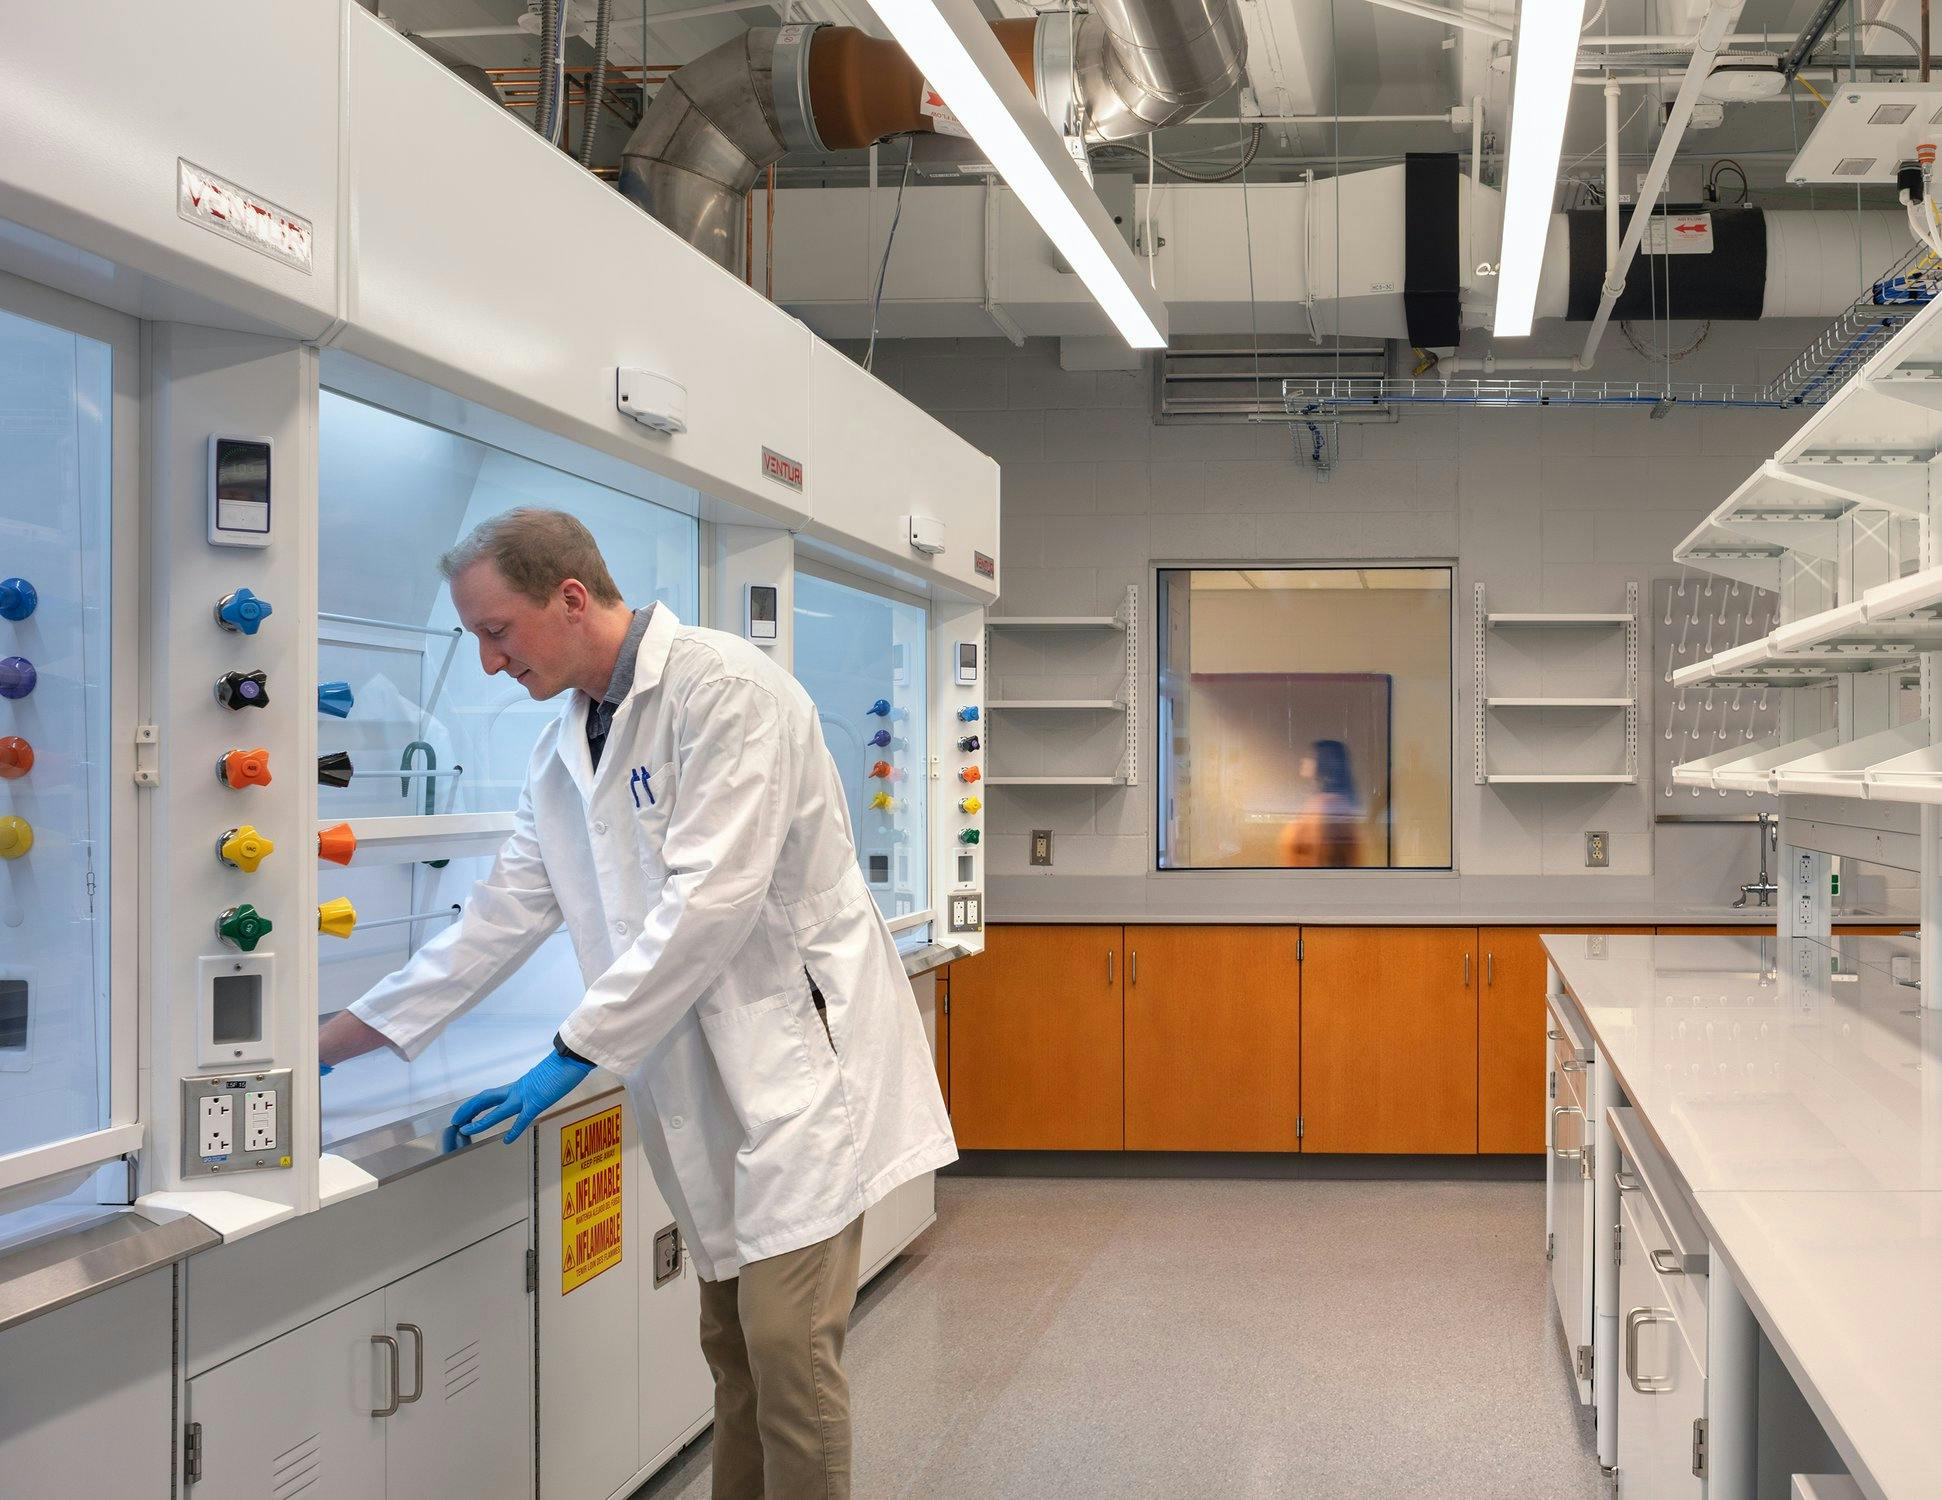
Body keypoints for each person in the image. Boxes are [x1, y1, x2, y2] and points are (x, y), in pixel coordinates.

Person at [318, 508, 956, 1499]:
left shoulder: (728, 693)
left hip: (800, 1066)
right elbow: (498, 918)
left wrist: (574, 1050)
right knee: (732, 1346)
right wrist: (341, 1039)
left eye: (498, 632)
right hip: (700, 1077)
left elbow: (713, 900)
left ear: (571, 598)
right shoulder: (563, 749)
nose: (490, 663)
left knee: (786, 1347)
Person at [1278, 738, 1363, 868]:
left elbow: (1323, 860)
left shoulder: (1328, 805)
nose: (1303, 761)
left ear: (1323, 763)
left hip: (1314, 884)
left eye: (1309, 757)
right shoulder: (1324, 803)